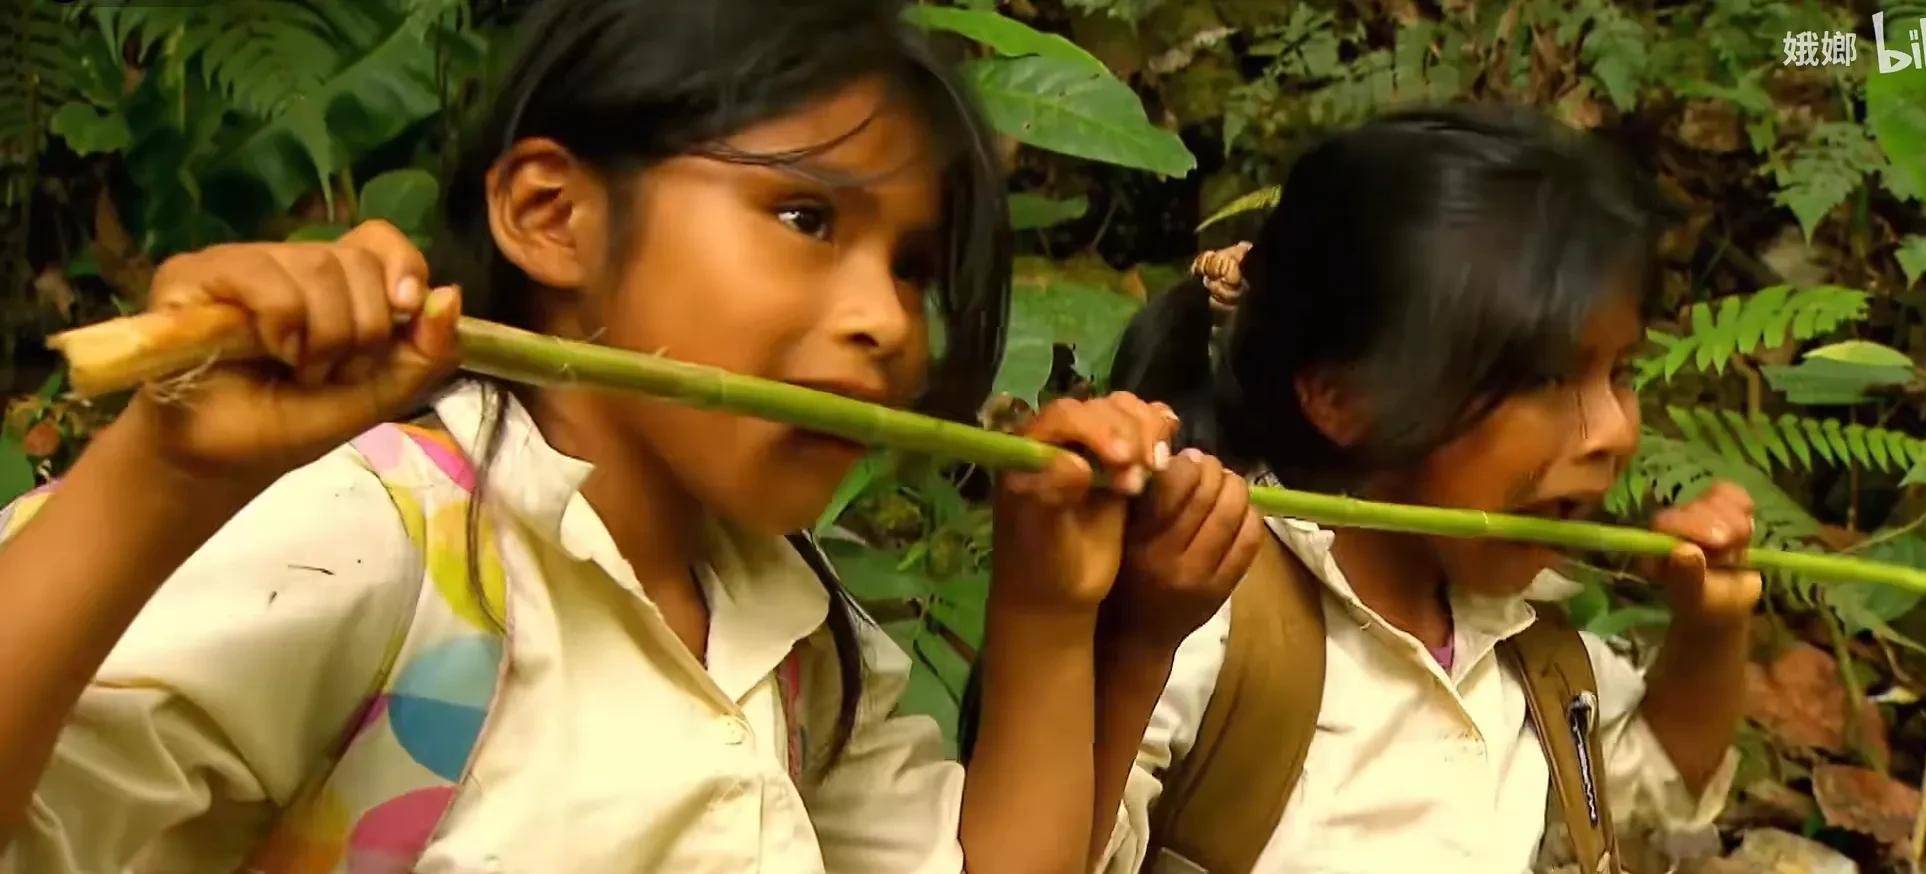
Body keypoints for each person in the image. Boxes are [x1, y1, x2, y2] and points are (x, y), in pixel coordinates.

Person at [0, 1, 1260, 870]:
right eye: (806, 220)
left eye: (914, 266)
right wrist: (160, 480)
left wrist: (1064, 620)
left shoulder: (791, 643)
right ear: (552, 216)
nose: (886, 321)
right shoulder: (376, 543)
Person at [1098, 107, 1757, 873]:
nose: (1613, 429)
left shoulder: (1529, 647)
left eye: (1621, 373)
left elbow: (1647, 796)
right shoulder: (1202, 633)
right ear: (1343, 395)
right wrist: (1128, 645)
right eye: (1545, 377)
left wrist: (1711, 634)